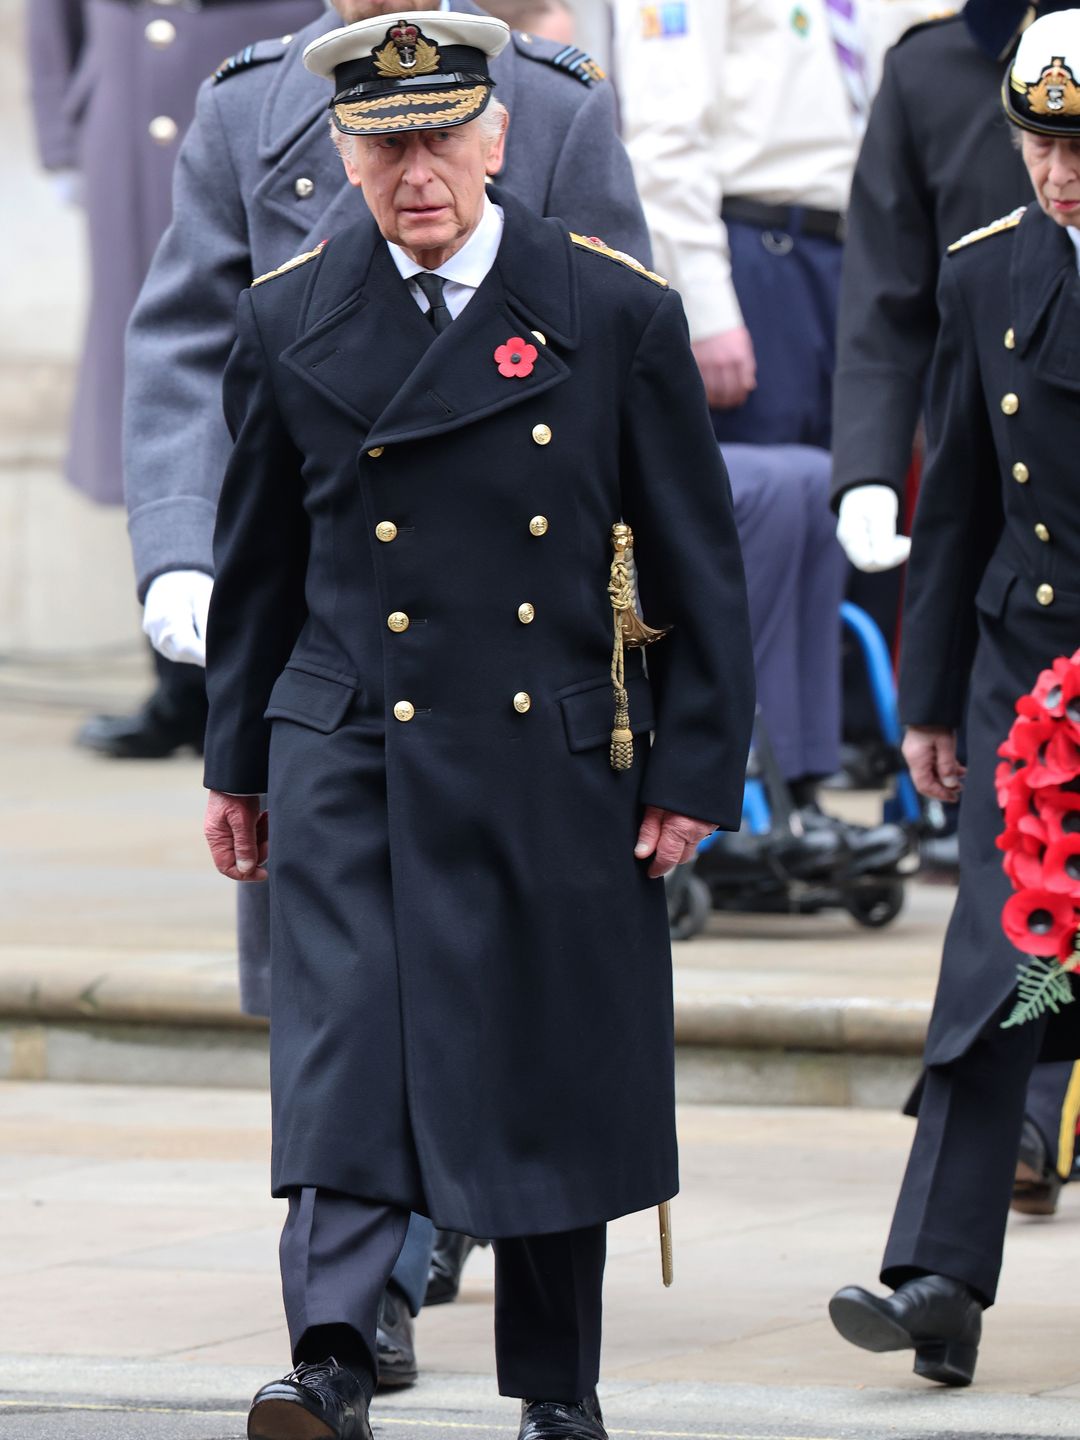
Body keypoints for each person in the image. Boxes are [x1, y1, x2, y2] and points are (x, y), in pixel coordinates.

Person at [198, 13, 754, 1438]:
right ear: (342, 153)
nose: (417, 172)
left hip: (551, 746)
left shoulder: (613, 310)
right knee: (346, 1049)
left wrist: (697, 768)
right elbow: (260, 567)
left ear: (499, 140)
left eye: (442, 136)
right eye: (385, 144)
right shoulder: (287, 315)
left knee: (548, 1070)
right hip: (351, 742)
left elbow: (700, 567)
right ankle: (327, 1355)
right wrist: (238, 768)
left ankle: (557, 1395)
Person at [121, 0, 650, 1333]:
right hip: (331, 613)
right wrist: (184, 546)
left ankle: (454, 1230)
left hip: (512, 643)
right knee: (348, 990)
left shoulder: (556, 100)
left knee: (490, 972)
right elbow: (191, 339)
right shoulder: (249, 103)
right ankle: (360, 1296)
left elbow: (623, 371)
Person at [829, 9, 1080, 1388]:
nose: (1060, 172)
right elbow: (964, 506)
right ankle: (937, 1275)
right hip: (1025, 677)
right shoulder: (991, 276)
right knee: (999, 970)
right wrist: (927, 701)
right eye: (1040, 142)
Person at [24, 0, 325, 760]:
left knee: (276, 367)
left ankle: (261, 667)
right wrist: (62, 131)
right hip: (126, 101)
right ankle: (178, 676)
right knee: (159, 362)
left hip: (272, 81)